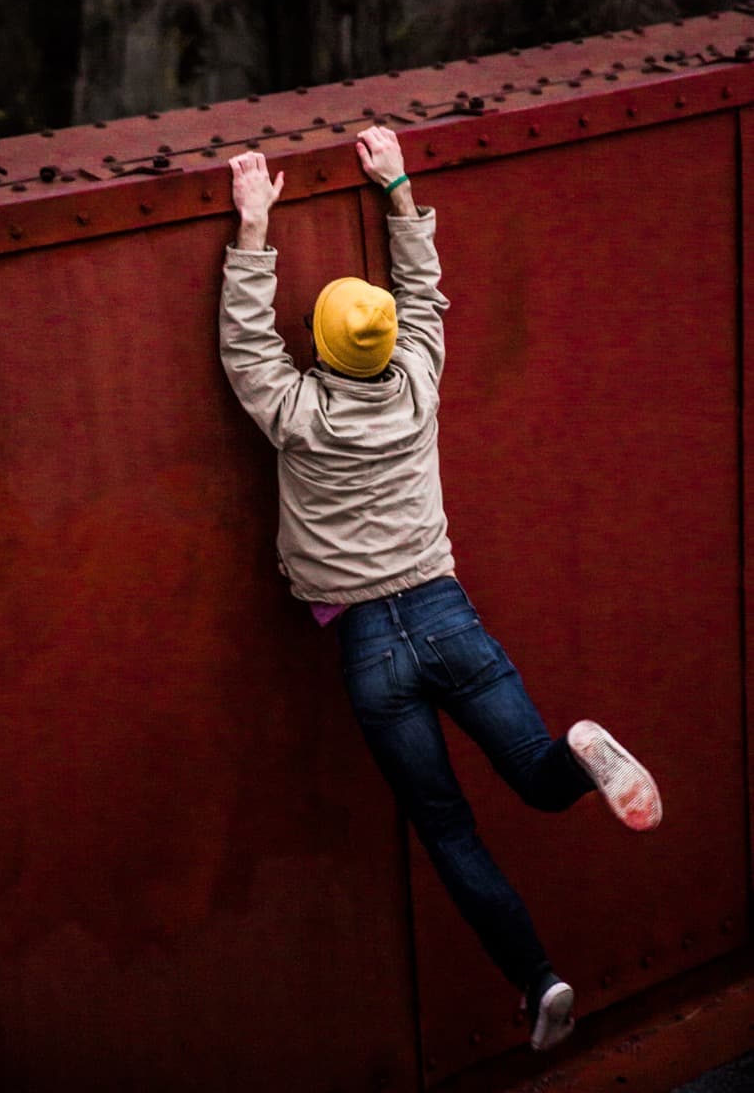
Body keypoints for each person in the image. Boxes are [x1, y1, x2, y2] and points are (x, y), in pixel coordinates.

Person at [219, 126, 662, 1053]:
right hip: (446, 615)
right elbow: (422, 299)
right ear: (381, 345)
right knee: (537, 781)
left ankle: (539, 981)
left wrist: (254, 228)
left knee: (449, 830)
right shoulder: (418, 379)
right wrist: (398, 189)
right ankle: (580, 753)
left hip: (370, 652)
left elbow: (245, 350)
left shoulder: (298, 416)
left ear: (319, 347)